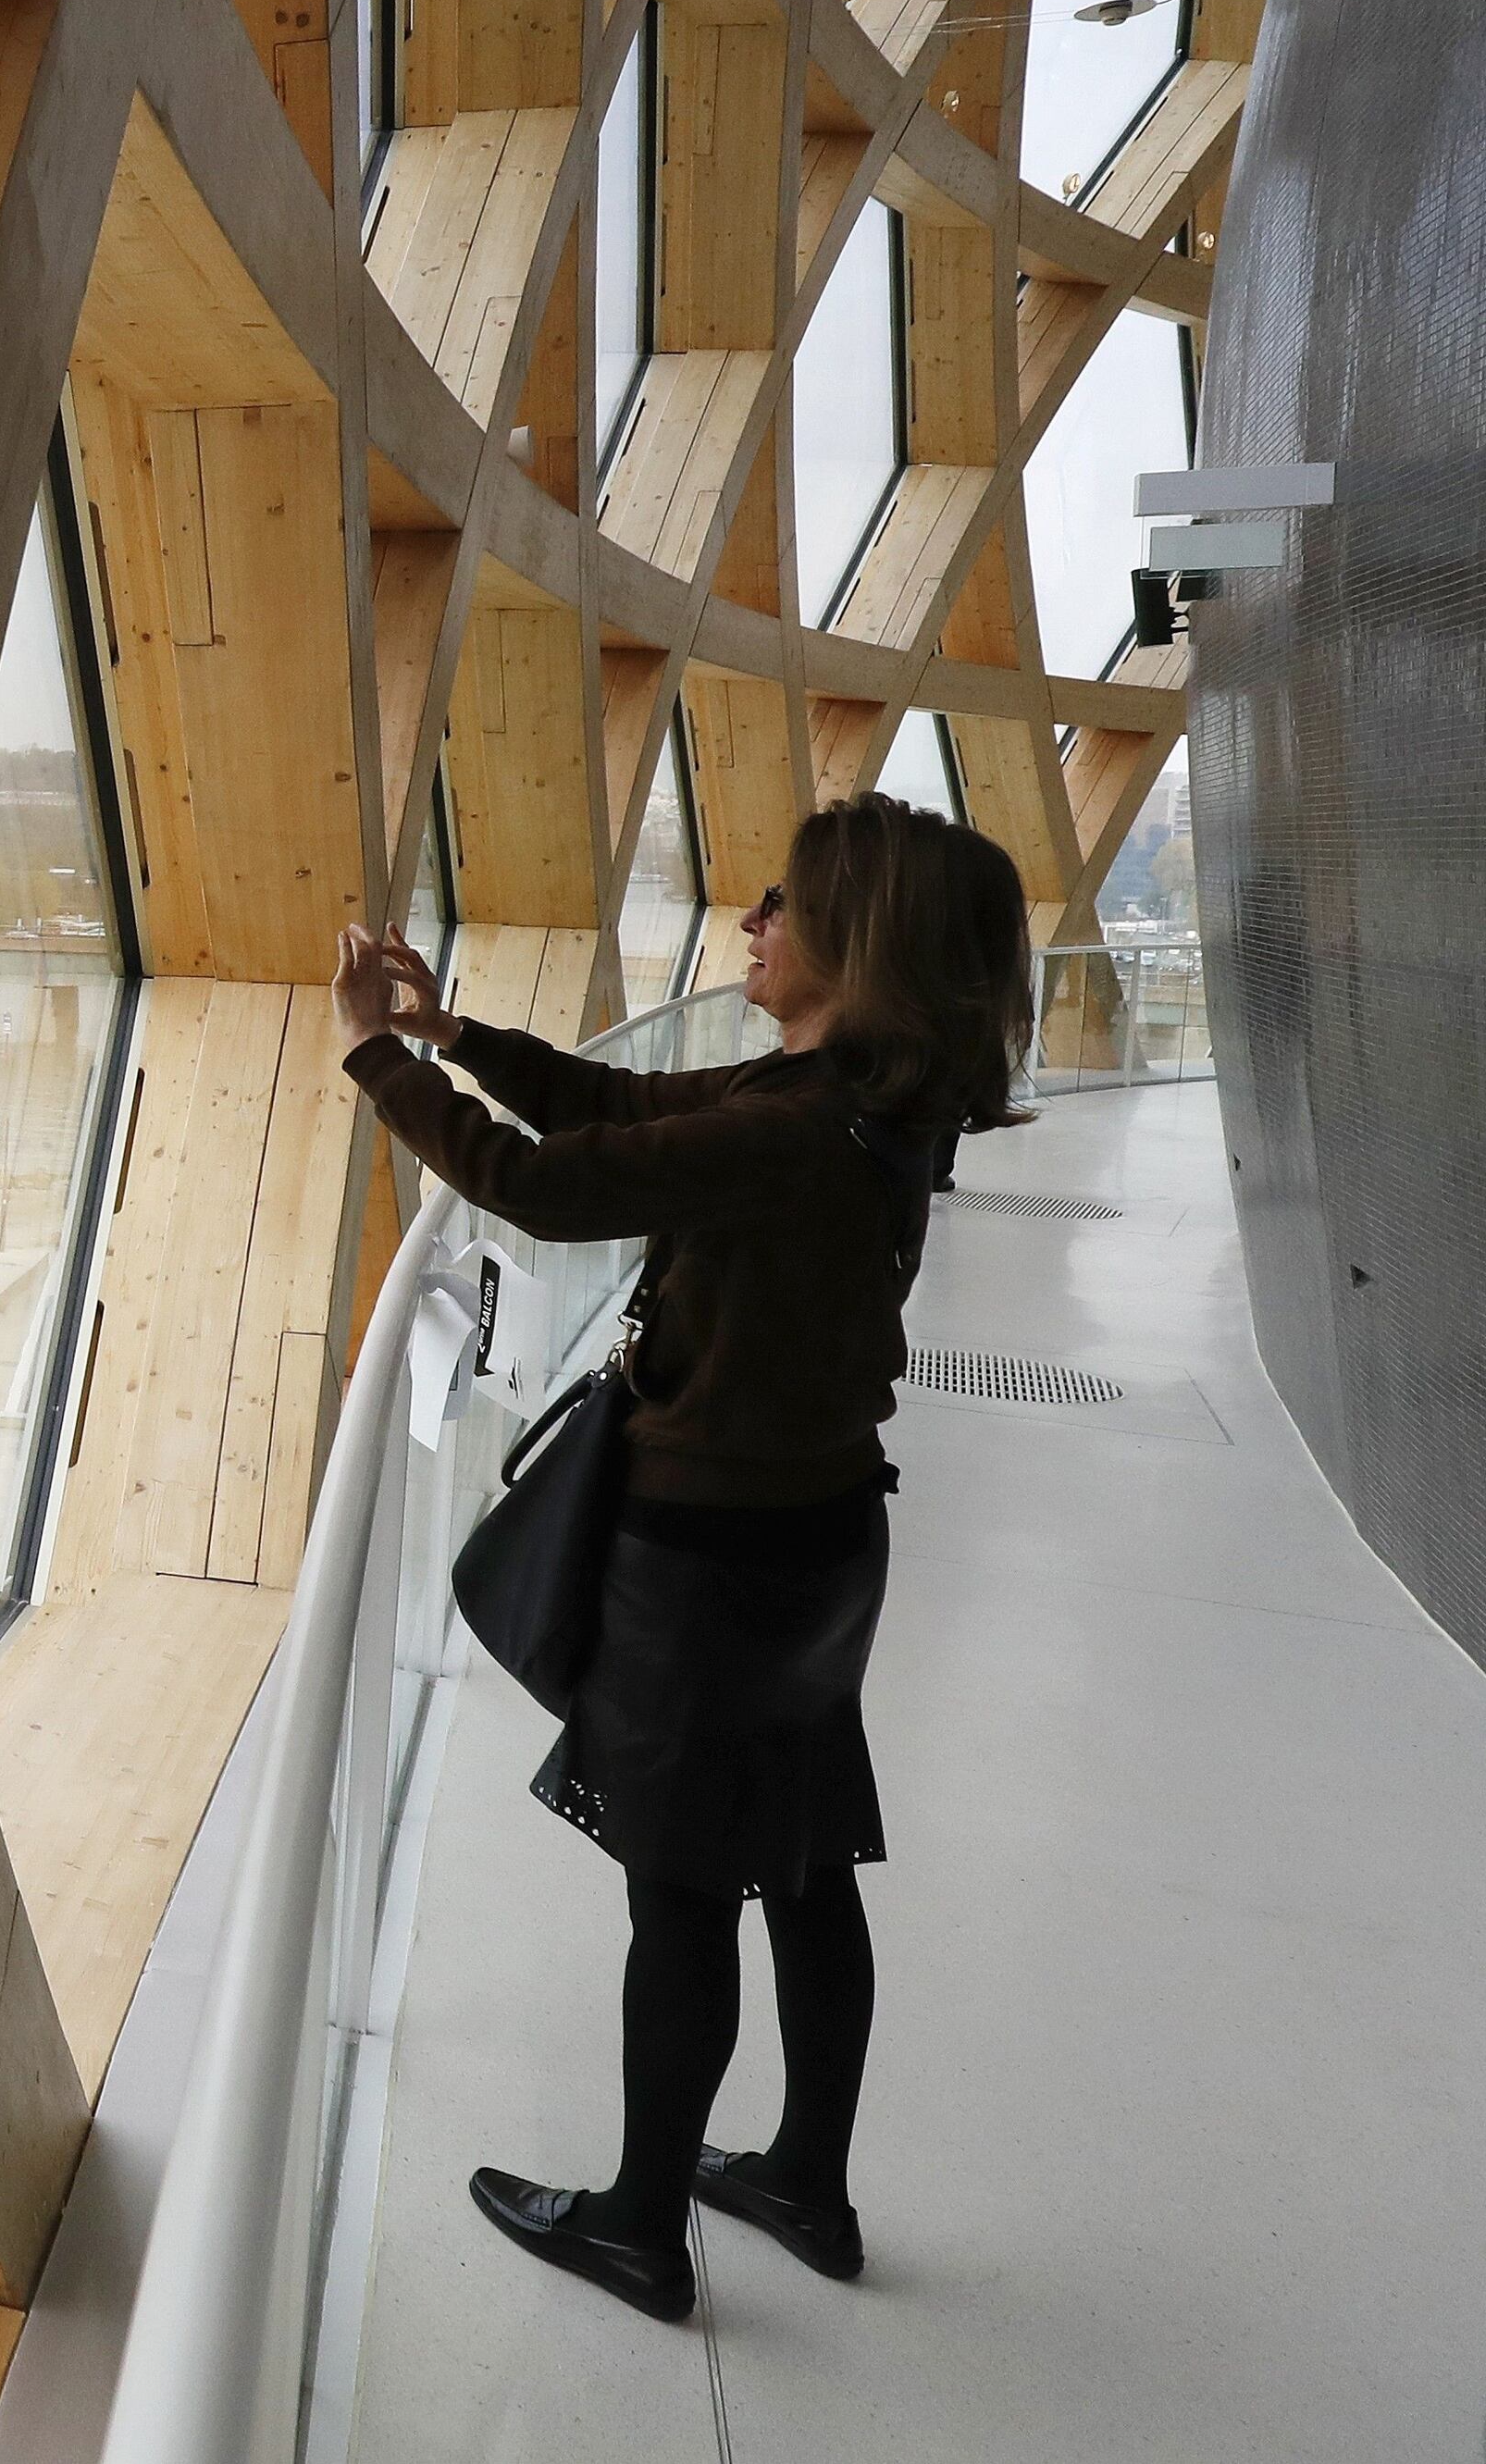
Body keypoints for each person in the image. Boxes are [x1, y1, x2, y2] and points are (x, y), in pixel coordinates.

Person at [328, 792, 1033, 2322]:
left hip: (709, 1563)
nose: (752, 921)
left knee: (685, 1897)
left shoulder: (797, 1130)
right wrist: (456, 1035)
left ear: (855, 943)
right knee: (804, 1865)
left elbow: (548, 1186)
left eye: (782, 900)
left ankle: (643, 2224)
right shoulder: (864, 1101)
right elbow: (622, 1113)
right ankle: (806, 2178)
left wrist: (374, 1057)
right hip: (825, 1543)